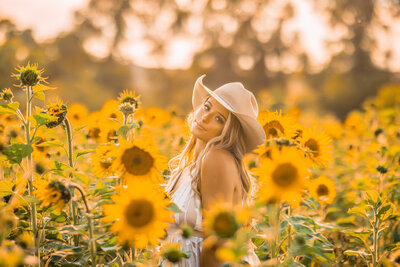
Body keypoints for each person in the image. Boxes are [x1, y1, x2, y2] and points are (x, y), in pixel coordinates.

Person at [163, 74, 266, 267]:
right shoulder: (186, 166)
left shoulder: (216, 159)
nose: (205, 116)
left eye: (219, 119)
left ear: (228, 131)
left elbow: (217, 245)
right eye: (207, 106)